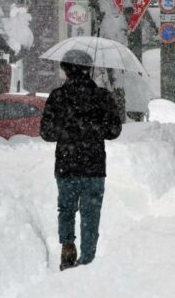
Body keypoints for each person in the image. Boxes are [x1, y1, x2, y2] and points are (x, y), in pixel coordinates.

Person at [40, 50, 122, 270]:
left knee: (66, 209)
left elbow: (47, 133)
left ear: (65, 69)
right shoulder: (102, 96)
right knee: (91, 213)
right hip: (94, 166)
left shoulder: (57, 96)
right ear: (89, 69)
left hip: (66, 165)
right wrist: (94, 127)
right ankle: (87, 259)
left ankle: (68, 246)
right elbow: (114, 131)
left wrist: (67, 129)